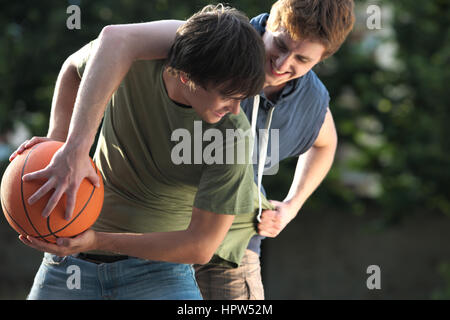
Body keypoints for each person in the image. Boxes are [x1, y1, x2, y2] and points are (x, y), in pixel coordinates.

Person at [13, 0, 356, 299]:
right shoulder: (216, 44)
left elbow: (326, 144)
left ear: (320, 60)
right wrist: (68, 147)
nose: (282, 63)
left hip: (226, 238)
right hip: (156, 232)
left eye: (301, 59)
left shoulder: (304, 103)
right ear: (270, 24)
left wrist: (291, 206)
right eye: (279, 45)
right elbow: (113, 40)